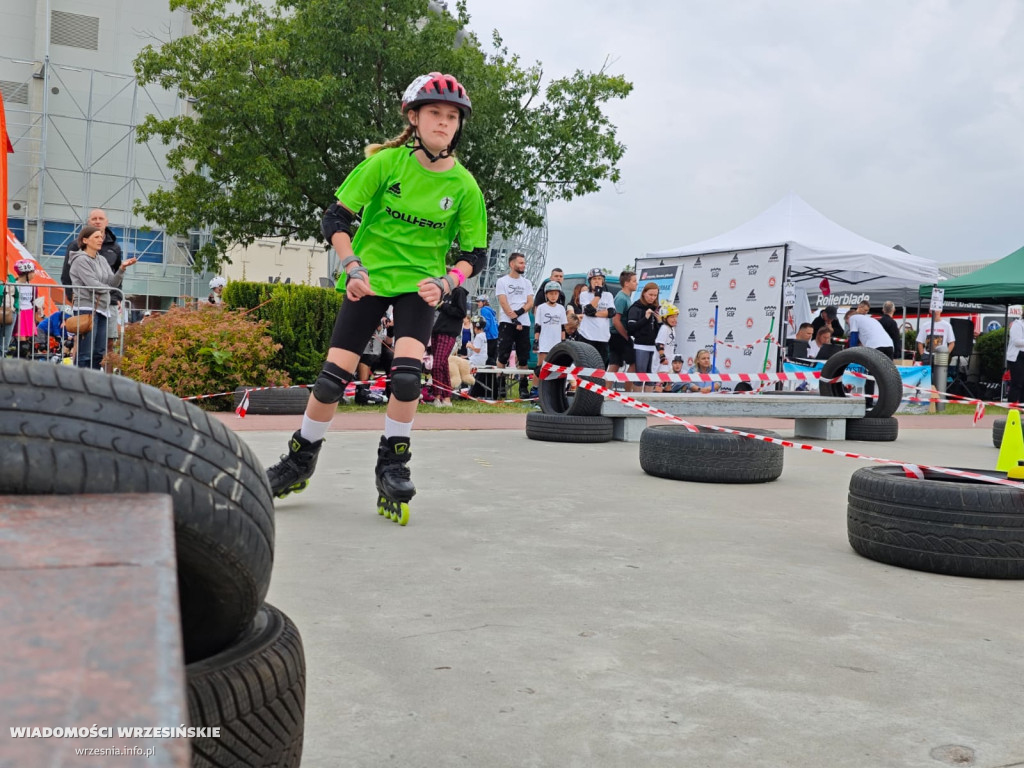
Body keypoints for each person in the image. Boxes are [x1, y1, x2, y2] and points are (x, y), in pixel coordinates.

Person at [264, 72, 487, 526]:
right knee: (331, 380)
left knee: (407, 378)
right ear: (414, 118)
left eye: (451, 117)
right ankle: (300, 457)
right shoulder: (386, 164)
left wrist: (447, 282)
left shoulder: (464, 186)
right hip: (369, 279)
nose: (444, 124)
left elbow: (474, 255)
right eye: (435, 115)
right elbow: (336, 218)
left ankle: (393, 463)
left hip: (419, 287)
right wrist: (351, 266)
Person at [67, 226, 139, 369]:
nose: (101, 239)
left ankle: (92, 384)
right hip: (86, 308)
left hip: (102, 309)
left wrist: (122, 269)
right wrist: (109, 289)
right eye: (96, 237)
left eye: (101, 237)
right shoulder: (80, 260)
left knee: (99, 353)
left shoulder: (102, 260)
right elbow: (93, 284)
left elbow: (112, 283)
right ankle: (78, 384)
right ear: (85, 240)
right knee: (85, 352)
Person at [60, 208, 123, 305]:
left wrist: (116, 298)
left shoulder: (115, 247)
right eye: (94, 219)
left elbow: (116, 274)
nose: (97, 222)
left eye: (101, 218)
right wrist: (71, 296)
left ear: (106, 222)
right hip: (85, 302)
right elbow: (66, 274)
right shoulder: (75, 246)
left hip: (109, 302)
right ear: (89, 222)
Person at [428, 285, 468, 407]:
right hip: (437, 330)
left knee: (437, 363)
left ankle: (438, 395)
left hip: (448, 332)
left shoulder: (459, 292)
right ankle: (446, 397)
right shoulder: (444, 293)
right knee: (443, 365)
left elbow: (461, 312)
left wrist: (443, 306)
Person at [495, 251, 534, 372]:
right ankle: (500, 383)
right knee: (503, 355)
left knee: (523, 356)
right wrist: (513, 318)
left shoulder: (527, 282)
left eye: (524, 263)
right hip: (507, 322)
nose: (523, 265)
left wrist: (519, 313)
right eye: (520, 263)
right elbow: (503, 301)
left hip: (524, 322)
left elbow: (530, 302)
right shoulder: (502, 281)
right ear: (512, 264)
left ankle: (522, 385)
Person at [533, 280, 567, 391]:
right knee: (540, 367)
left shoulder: (561, 308)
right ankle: (535, 389)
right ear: (546, 294)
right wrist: (536, 341)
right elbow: (538, 326)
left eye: (556, 293)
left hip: (556, 342)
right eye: (551, 293)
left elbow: (563, 327)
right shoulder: (541, 308)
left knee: (555, 368)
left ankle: (551, 391)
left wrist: (563, 341)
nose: (553, 296)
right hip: (544, 341)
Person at [578, 268, 617, 365]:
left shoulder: (608, 295)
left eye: (599, 278)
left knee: (601, 366)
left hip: (603, 336)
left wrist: (594, 313)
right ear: (590, 281)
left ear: (603, 281)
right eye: (594, 279)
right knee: (587, 366)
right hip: (587, 335)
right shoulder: (584, 295)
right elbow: (588, 310)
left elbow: (612, 312)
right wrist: (597, 296)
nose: (597, 281)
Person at [609, 270, 638, 391]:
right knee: (634, 363)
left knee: (615, 364)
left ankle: (606, 391)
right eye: (634, 281)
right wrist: (626, 336)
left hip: (616, 335)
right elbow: (616, 320)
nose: (637, 283)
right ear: (626, 283)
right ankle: (628, 392)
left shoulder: (626, 297)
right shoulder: (621, 298)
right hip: (618, 335)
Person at [625, 281, 661, 376]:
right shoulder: (635, 308)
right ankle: (635, 391)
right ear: (644, 293)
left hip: (654, 346)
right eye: (650, 294)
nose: (652, 298)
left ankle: (648, 391)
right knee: (640, 377)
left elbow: (660, 331)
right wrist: (645, 318)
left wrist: (660, 322)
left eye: (655, 295)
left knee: (652, 379)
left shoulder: (656, 308)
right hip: (641, 346)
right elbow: (631, 328)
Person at [12, 259, 39, 358]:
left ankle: (20, 367)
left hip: (29, 313)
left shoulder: (33, 287)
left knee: (26, 346)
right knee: (22, 346)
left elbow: (34, 301)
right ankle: (13, 366)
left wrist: (39, 308)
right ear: (26, 273)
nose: (34, 274)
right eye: (32, 272)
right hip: (19, 314)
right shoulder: (14, 285)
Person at [655, 302, 680, 372]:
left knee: (668, 382)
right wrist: (662, 357)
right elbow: (659, 344)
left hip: (669, 361)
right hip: (662, 363)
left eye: (676, 317)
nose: (675, 319)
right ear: (665, 318)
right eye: (672, 317)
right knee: (662, 382)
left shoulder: (671, 329)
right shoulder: (664, 328)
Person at [475, 295, 499, 365]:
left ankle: (485, 375)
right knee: (493, 358)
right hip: (495, 336)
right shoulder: (491, 310)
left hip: (489, 336)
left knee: (487, 358)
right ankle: (492, 376)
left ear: (484, 302)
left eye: (479, 301)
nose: (478, 303)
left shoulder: (484, 310)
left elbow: (486, 323)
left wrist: (480, 331)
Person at [1006, 314, 1024, 405]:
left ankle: (1022, 405)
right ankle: (1012, 405)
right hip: (1016, 357)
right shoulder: (1017, 324)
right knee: (1017, 383)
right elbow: (1017, 342)